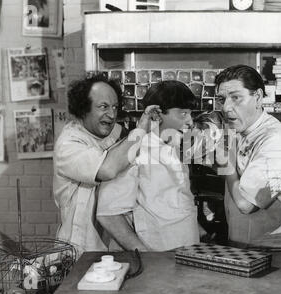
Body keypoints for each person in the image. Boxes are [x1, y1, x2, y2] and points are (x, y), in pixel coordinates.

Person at [53, 74, 160, 256]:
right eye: (103, 107)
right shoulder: (68, 144)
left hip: (116, 246)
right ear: (83, 108)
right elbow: (107, 169)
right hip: (81, 250)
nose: (111, 115)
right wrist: (141, 130)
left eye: (115, 107)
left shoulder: (117, 133)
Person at [97, 80, 200, 251]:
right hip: (158, 255)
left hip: (186, 250)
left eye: (190, 113)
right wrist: (146, 256)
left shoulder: (173, 146)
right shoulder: (136, 150)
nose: (190, 121)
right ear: (157, 115)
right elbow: (108, 215)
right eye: (183, 114)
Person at [214, 65, 281, 249]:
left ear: (258, 97)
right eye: (222, 99)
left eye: (236, 98)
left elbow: (245, 204)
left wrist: (224, 162)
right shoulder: (241, 129)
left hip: (271, 250)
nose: (226, 107)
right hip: (244, 240)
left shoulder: (275, 141)